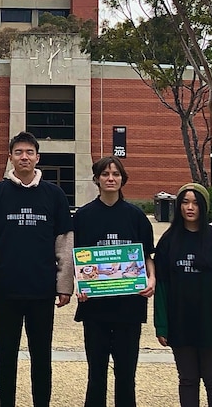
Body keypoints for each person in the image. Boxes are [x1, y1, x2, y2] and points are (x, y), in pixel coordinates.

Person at [0, 132, 74, 407]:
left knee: (41, 357)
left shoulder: (54, 195)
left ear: (37, 157)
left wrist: (64, 285)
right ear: (10, 157)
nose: (24, 157)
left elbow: (64, 243)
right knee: (5, 357)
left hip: (42, 291)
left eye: (29, 152)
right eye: (18, 152)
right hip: (7, 292)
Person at [73, 157, 155, 407]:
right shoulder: (84, 216)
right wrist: (80, 285)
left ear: (122, 179)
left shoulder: (136, 216)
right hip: (95, 308)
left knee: (126, 375)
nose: (111, 178)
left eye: (116, 174)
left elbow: (147, 256)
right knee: (95, 374)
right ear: (96, 179)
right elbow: (78, 258)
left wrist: (151, 278)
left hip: (129, 307)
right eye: (105, 174)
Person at [154, 183, 212, 407]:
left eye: (195, 203)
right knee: (188, 380)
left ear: (204, 206)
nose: (190, 207)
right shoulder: (168, 241)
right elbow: (161, 287)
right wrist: (161, 326)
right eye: (184, 202)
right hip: (180, 321)